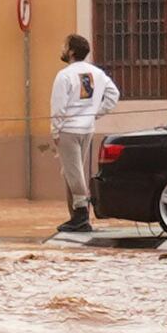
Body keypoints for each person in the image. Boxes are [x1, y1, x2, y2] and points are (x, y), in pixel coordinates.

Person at [46, 36, 118, 239]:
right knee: (71, 171)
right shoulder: (97, 73)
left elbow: (58, 107)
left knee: (74, 172)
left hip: (68, 129)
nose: (62, 48)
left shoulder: (64, 75)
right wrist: (96, 113)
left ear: (70, 51)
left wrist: (55, 131)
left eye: (64, 45)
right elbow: (114, 95)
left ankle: (81, 215)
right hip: (87, 128)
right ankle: (75, 217)